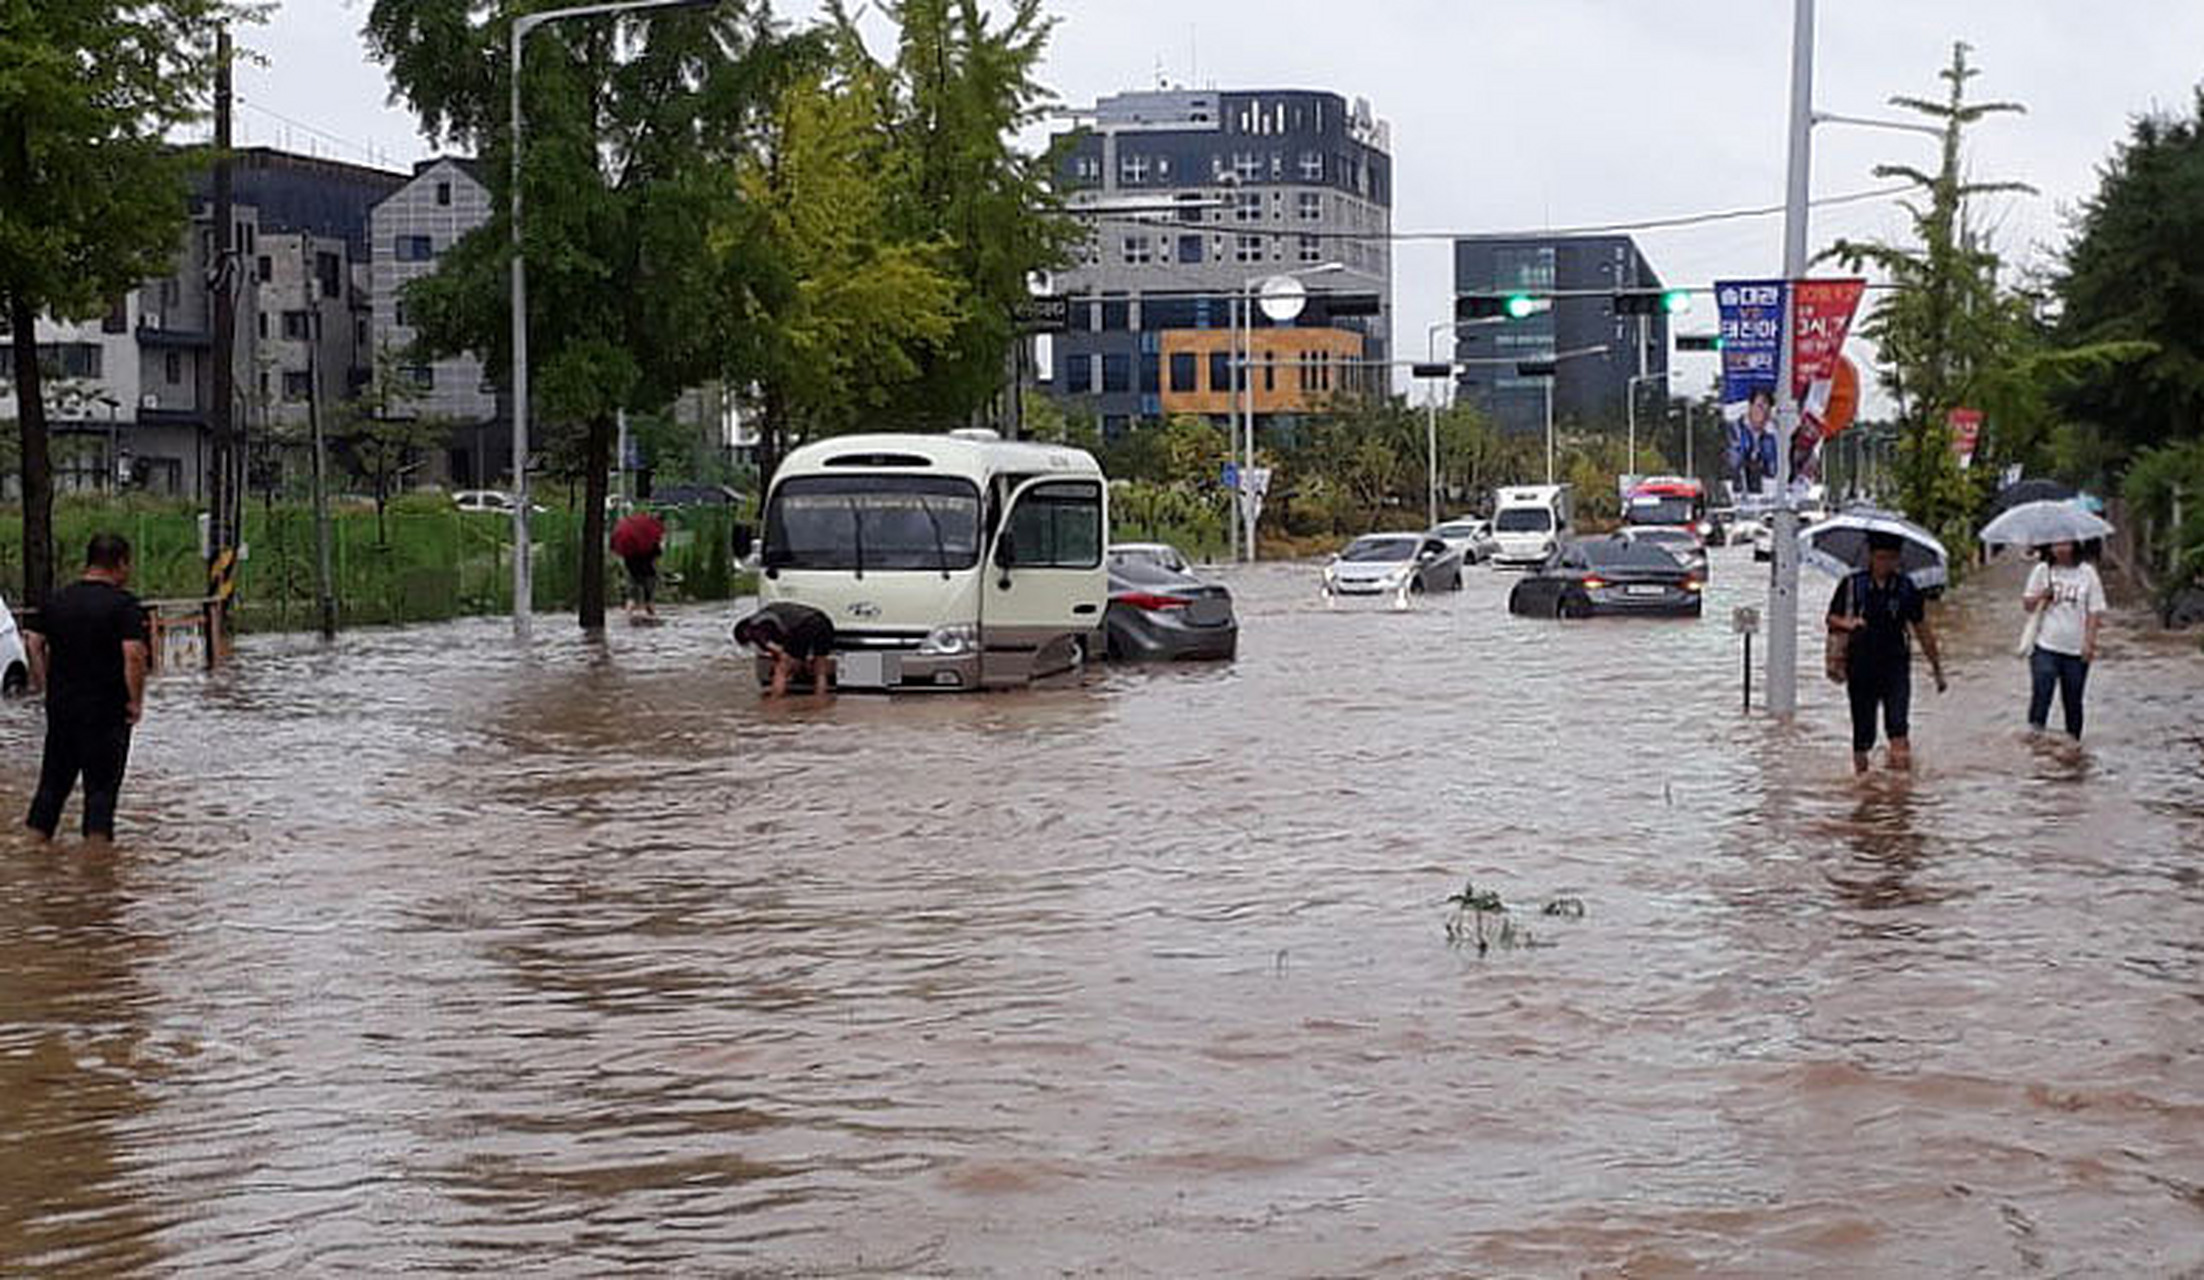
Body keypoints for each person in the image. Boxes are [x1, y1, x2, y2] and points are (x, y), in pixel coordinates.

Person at [24, 533, 151, 845]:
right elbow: (134, 654)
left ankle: (32, 855)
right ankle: (97, 875)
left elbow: (33, 642)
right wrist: (135, 702)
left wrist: (45, 686)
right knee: (100, 795)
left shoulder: (57, 600)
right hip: (107, 713)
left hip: (63, 710)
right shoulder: (125, 606)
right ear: (120, 563)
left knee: (50, 790)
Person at [1827, 530, 1947, 774]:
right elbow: (1831, 618)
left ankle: (1900, 795)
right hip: (1860, 666)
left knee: (1898, 728)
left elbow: (1922, 629)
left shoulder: (1906, 587)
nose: (1885, 563)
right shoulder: (1852, 585)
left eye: (1891, 558)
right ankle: (1864, 786)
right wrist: (1849, 624)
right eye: (1881, 557)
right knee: (1863, 734)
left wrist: (1936, 668)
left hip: (1895, 666)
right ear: (1871, 556)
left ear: (1898, 559)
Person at [2022, 539, 2106, 739]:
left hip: (2076, 650)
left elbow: (2095, 611)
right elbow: (2027, 605)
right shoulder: (2042, 571)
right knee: (2042, 694)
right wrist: (2043, 595)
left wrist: (2089, 642)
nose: (2061, 549)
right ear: (2049, 547)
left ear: (2075, 545)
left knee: (2073, 701)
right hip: (2045, 645)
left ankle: (2073, 744)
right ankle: (2035, 740)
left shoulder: (2087, 573)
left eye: (2066, 544)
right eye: (2056, 544)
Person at [732, 601, 836, 698]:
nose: (752, 643)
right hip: (823, 621)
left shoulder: (754, 626)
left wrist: (783, 666)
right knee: (820, 669)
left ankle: (775, 704)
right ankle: (820, 700)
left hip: (804, 624)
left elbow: (779, 652)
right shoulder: (769, 615)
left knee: (781, 669)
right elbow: (784, 647)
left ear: (745, 633)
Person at [611, 508, 665, 621]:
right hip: (648, 572)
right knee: (648, 596)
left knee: (632, 593)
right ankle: (651, 613)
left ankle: (627, 615)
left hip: (632, 569)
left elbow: (621, 553)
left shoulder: (627, 544)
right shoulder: (650, 539)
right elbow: (657, 554)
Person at [1728, 388, 1780, 496]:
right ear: (1750, 407)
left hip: (1763, 493)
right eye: (1759, 406)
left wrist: (1771, 438)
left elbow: (1772, 470)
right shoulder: (1735, 429)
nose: (1763, 413)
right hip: (1735, 490)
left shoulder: (1772, 435)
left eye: (1767, 409)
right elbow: (1733, 462)